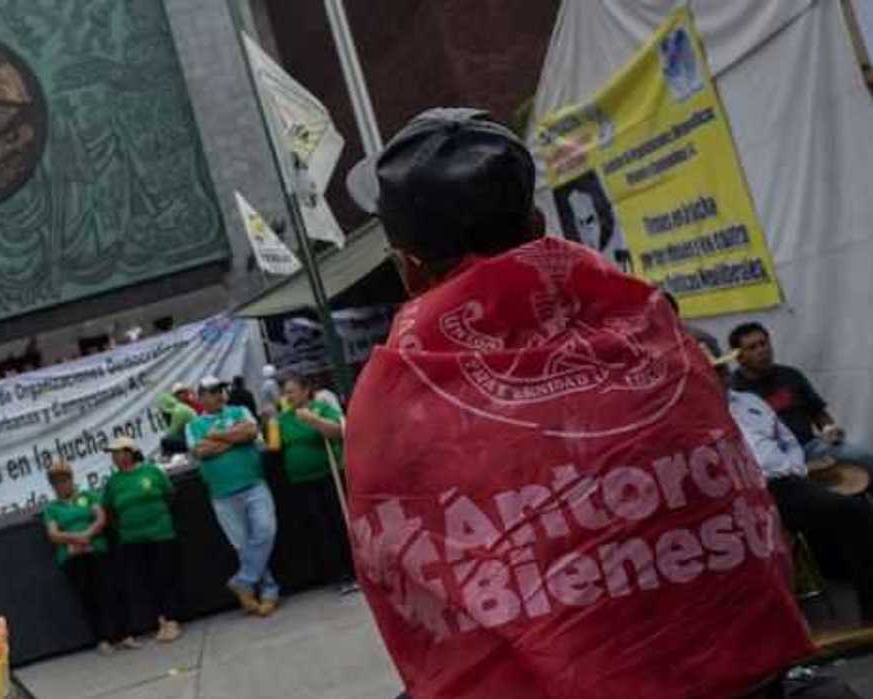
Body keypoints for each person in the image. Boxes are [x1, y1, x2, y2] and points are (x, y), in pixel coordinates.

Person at [341, 107, 809, 699]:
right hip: (748, 669)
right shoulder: (655, 327)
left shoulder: (393, 398)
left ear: (409, 269)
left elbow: (413, 595)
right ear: (539, 225)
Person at [722, 352, 873, 625]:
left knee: (855, 508)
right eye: (713, 370)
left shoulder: (749, 401)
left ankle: (862, 605)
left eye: (722, 368)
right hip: (740, 494)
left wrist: (796, 468)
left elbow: (788, 441)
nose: (720, 375)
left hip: (785, 482)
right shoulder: (697, 412)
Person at [186, 375, 280, 616]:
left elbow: (250, 431)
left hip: (253, 483)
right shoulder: (193, 425)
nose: (219, 395)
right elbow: (201, 451)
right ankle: (267, 591)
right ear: (201, 397)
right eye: (212, 392)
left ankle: (243, 581)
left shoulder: (240, 411)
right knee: (243, 545)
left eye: (220, 390)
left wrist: (216, 435)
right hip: (222, 494)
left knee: (265, 531)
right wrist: (233, 438)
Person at [730, 322, 873, 479]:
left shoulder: (790, 375)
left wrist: (829, 429)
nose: (762, 350)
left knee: (861, 457)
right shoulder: (734, 390)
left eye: (764, 343)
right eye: (752, 347)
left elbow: (818, 412)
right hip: (771, 461)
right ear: (739, 357)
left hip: (809, 448)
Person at [42, 460, 135, 655]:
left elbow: (100, 518)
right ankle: (102, 639)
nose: (61, 485)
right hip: (72, 556)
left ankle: (125, 635)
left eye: (64, 480)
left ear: (71, 479)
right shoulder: (52, 508)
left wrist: (88, 534)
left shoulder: (88, 496)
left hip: (96, 549)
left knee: (110, 590)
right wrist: (76, 538)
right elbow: (53, 534)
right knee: (88, 597)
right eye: (56, 482)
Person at [274, 374, 355, 590]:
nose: (288, 396)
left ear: (305, 390)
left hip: (329, 476)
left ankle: (353, 569)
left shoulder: (321, 408)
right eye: (285, 392)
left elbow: (340, 431)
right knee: (320, 528)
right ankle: (337, 574)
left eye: (292, 391)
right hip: (302, 481)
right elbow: (275, 445)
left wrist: (314, 421)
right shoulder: (284, 418)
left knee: (339, 523)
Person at [101, 437, 184, 643]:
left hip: (161, 533)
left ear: (130, 452)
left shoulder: (152, 471)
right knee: (147, 580)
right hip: (132, 539)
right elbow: (109, 510)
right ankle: (161, 621)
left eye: (119, 452)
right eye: (113, 454)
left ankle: (172, 620)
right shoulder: (113, 482)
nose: (115, 457)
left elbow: (169, 495)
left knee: (165, 575)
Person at [155, 387, 198, 456]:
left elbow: (172, 432)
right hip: (192, 436)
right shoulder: (178, 407)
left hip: (195, 438)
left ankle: (169, 458)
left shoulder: (178, 411)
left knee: (166, 441)